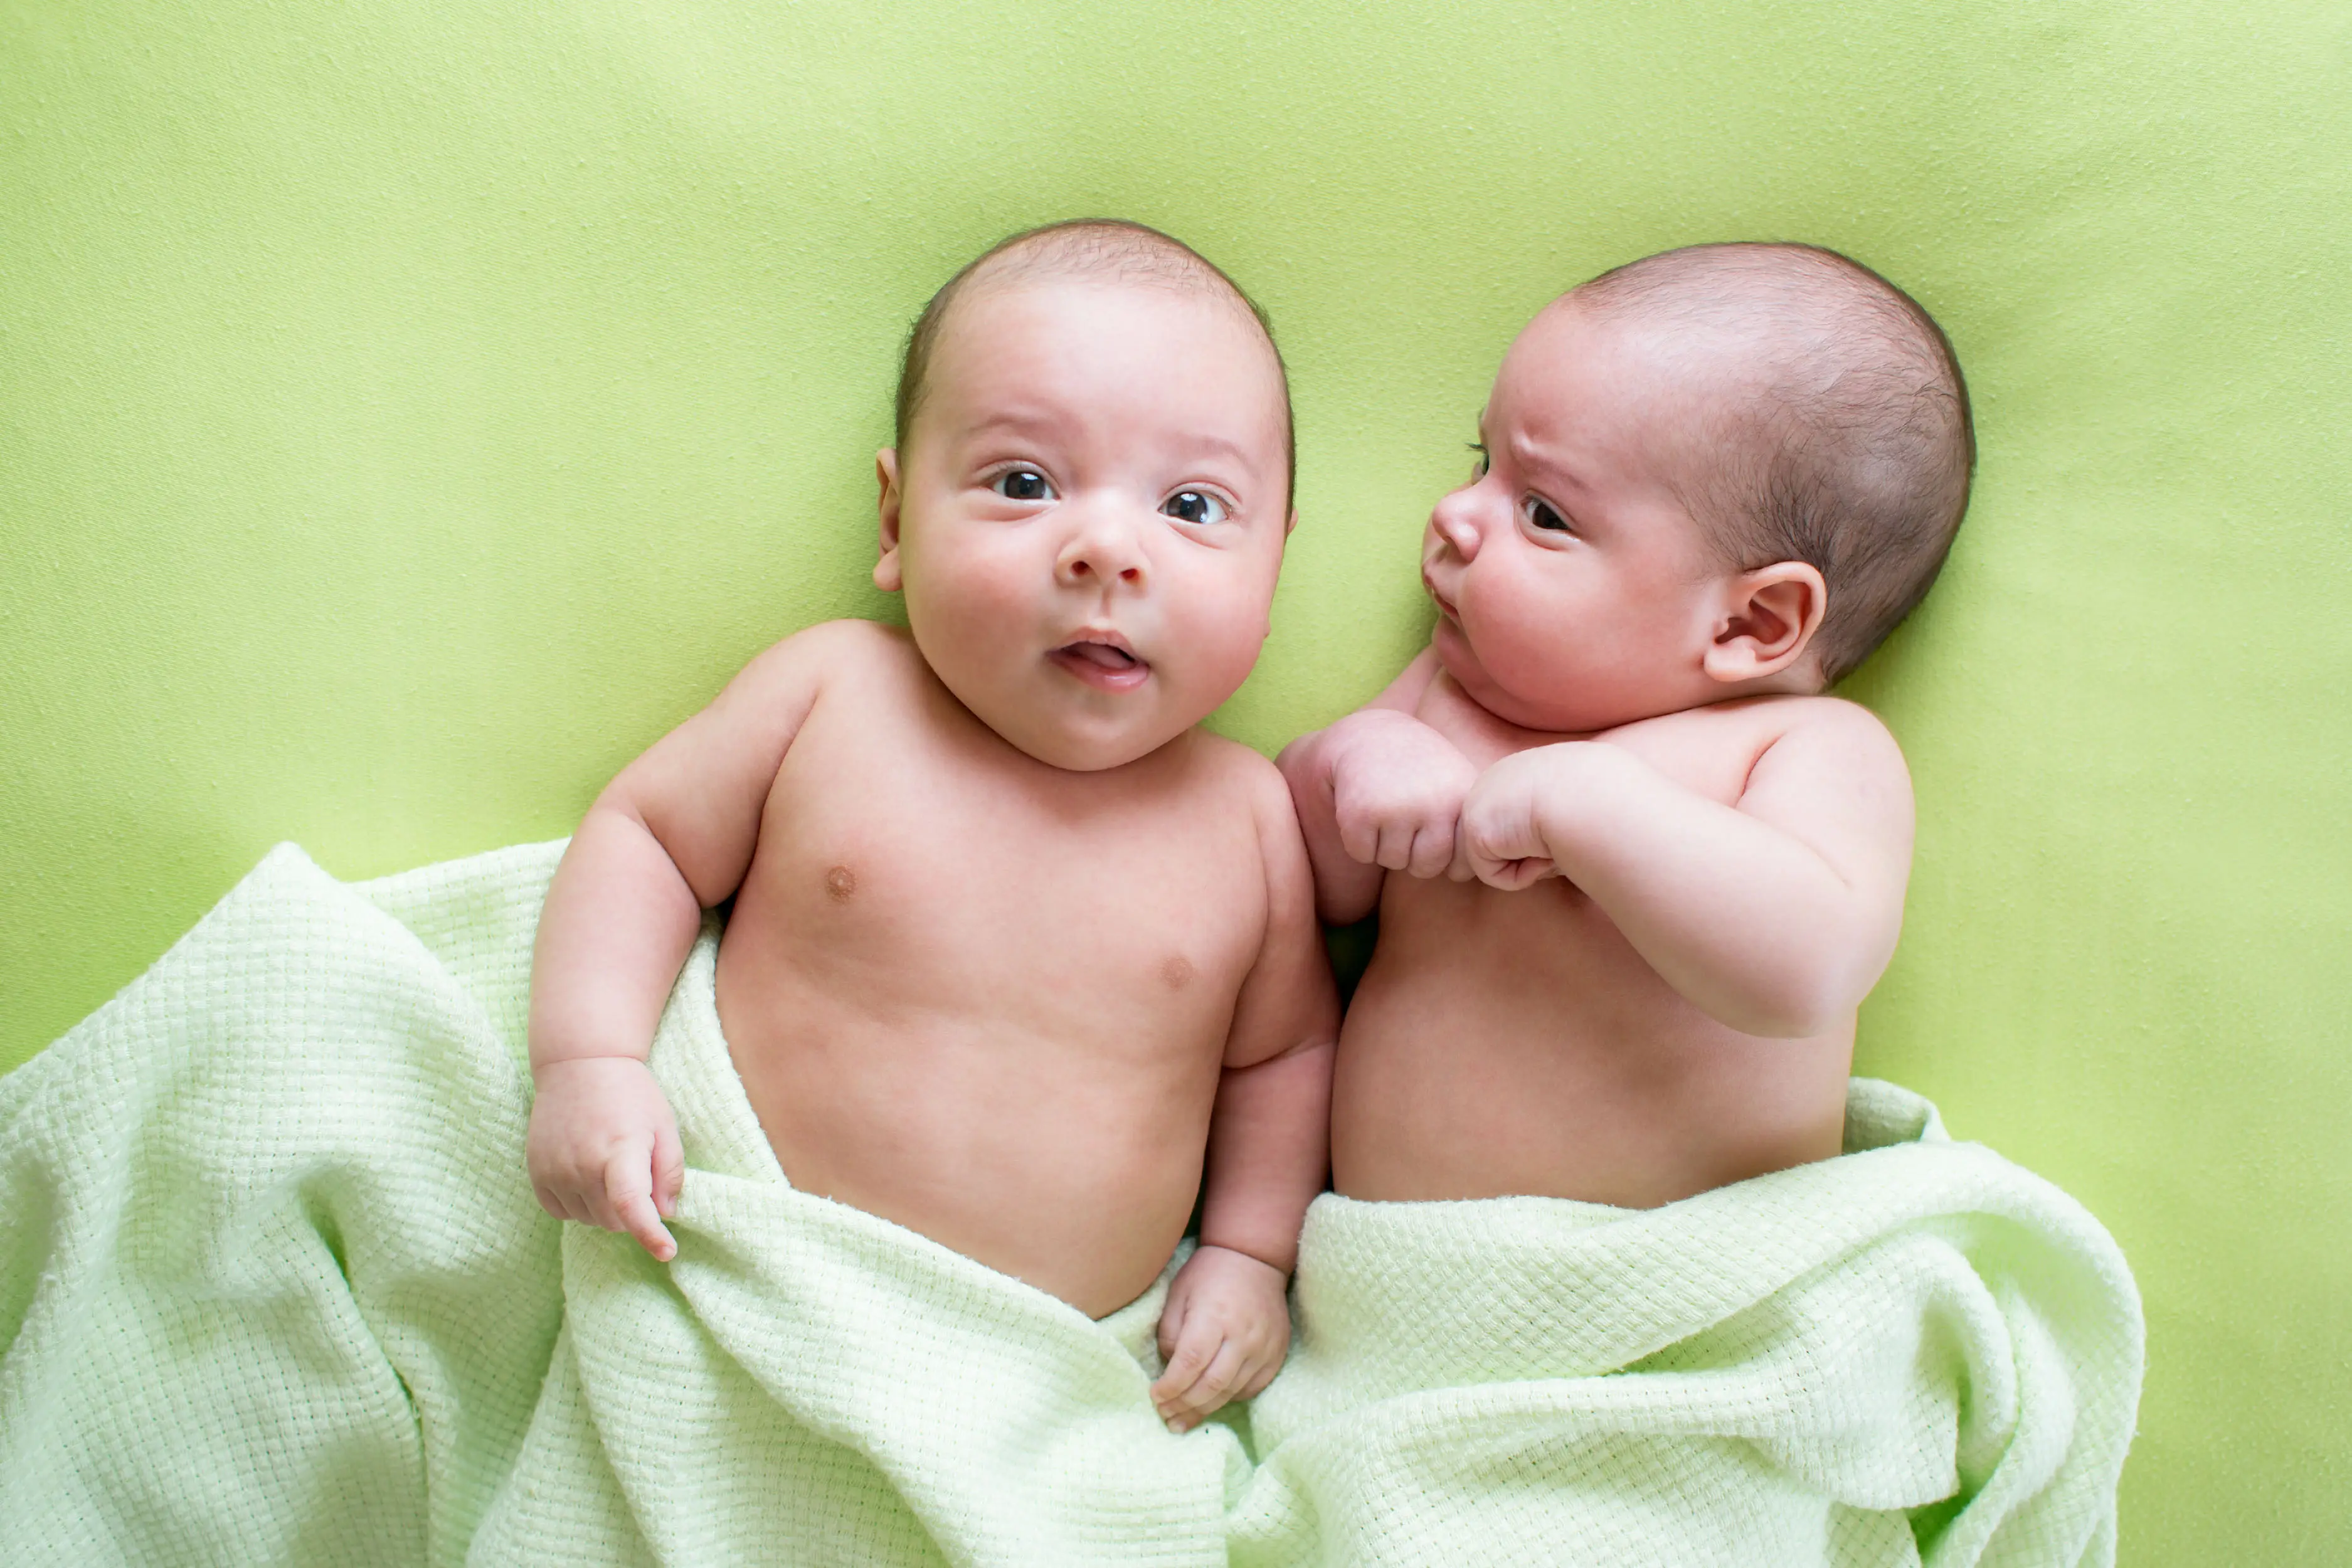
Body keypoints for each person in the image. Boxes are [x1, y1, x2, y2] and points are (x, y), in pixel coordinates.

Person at [525, 220, 1337, 1433]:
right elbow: (644, 836)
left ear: (1272, 568)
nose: (1107, 551)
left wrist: (1246, 1254)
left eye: (1191, 505)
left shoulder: (1247, 820)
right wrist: (587, 1059)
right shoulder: (833, 694)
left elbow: (1281, 1058)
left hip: (1047, 1392)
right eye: (1024, 483)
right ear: (897, 523)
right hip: (743, 1294)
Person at [1281, 242, 1971, 1209]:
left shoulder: (1804, 749)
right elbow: (1295, 886)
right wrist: (1346, 767)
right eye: (1481, 463)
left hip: (1687, 1296)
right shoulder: (1446, 698)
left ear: (1749, 624)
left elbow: (1806, 977)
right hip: (1403, 1296)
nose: (1452, 514)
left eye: (1543, 511)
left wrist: (1595, 807)